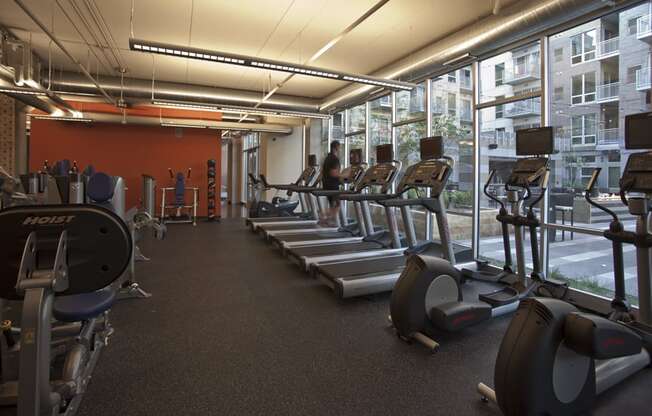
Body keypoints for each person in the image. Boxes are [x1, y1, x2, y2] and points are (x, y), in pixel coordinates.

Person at [320, 140, 342, 226]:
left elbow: (322, 171)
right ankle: (324, 217)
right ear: (336, 148)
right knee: (337, 204)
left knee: (332, 204)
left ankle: (328, 219)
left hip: (326, 184)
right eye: (339, 147)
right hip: (332, 186)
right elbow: (333, 173)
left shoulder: (327, 158)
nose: (340, 149)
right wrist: (344, 175)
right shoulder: (334, 159)